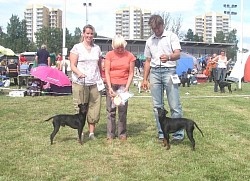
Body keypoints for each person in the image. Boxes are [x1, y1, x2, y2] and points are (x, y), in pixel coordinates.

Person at [142, 15, 184, 142]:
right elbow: (148, 61)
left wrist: (169, 57)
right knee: (157, 106)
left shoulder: (172, 36)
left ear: (162, 25)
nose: (156, 30)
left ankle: (178, 135)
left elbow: (178, 54)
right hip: (154, 72)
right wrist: (145, 79)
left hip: (169, 71)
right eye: (154, 28)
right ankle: (162, 133)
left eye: (158, 28)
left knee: (175, 105)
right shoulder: (149, 41)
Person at [70, 24, 102, 140]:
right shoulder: (77, 47)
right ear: (83, 34)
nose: (89, 35)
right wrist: (79, 73)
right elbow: (72, 65)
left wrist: (101, 79)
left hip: (94, 82)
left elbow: (99, 65)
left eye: (91, 33)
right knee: (81, 108)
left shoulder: (97, 48)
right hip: (80, 82)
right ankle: (81, 132)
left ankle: (91, 133)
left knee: (94, 107)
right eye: (87, 33)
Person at [105, 35, 135, 141]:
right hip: (112, 84)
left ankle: (122, 133)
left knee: (122, 111)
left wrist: (127, 87)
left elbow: (131, 73)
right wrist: (109, 87)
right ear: (113, 46)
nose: (120, 49)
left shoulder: (130, 56)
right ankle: (110, 134)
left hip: (123, 86)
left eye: (122, 47)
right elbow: (107, 72)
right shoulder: (109, 55)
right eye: (118, 47)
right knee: (110, 110)